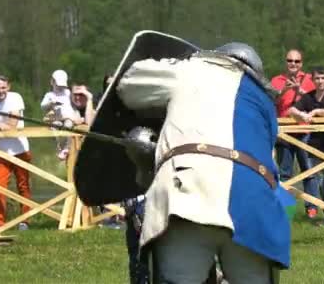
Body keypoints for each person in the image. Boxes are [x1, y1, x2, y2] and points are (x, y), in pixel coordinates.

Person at [116, 43, 292, 283]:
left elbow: (129, 85)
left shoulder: (193, 68)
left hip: (189, 195)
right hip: (254, 204)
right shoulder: (264, 102)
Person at [288, 66, 324, 226]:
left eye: (322, 78)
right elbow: (292, 110)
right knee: (318, 181)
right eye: (317, 78)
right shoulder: (308, 97)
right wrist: (301, 115)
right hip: (315, 145)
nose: (320, 81)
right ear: (313, 80)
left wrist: (317, 112)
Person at [0, 75, 33, 230]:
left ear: (8, 87)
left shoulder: (15, 97)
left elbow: (12, 123)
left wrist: (0, 124)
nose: (0, 91)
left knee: (23, 186)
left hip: (20, 149)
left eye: (3, 87)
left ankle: (25, 221)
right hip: (1, 151)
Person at [270, 49, 318, 218]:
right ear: (285, 62)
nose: (293, 64)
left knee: (309, 170)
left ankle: (312, 208)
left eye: (297, 61)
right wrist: (283, 90)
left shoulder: (310, 80)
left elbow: (315, 102)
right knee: (284, 173)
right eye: (290, 60)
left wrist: (300, 91)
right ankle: (286, 211)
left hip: (304, 131)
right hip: (285, 132)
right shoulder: (276, 80)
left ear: (301, 63)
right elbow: (269, 101)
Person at [40, 69, 74, 160]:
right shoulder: (49, 95)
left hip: (68, 117)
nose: (60, 88)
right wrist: (51, 103)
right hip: (56, 118)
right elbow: (42, 106)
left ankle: (66, 148)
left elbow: (74, 102)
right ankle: (59, 149)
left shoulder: (68, 92)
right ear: (52, 82)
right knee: (55, 127)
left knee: (68, 126)